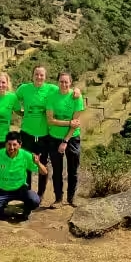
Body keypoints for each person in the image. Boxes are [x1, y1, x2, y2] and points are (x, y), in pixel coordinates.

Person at [0, 132, 46, 221]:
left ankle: (24, 210)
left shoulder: (26, 155)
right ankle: (6, 210)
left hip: (21, 189)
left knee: (35, 200)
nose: (11, 148)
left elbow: (44, 172)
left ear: (20, 145)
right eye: (9, 144)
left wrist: (38, 163)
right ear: (5, 144)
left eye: (14, 145)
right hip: (2, 191)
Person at [14, 64, 59, 196]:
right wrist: (20, 112)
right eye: (36, 74)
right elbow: (12, 99)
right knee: (26, 163)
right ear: (32, 76)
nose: (39, 77)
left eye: (41, 75)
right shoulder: (24, 88)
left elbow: (65, 92)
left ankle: (40, 194)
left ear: (45, 77)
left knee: (42, 164)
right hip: (27, 133)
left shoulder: (51, 89)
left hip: (44, 135)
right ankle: (26, 192)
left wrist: (76, 92)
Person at [45, 71, 85, 206]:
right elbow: (50, 120)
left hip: (72, 138)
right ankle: (58, 198)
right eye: (61, 81)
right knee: (56, 170)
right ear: (58, 82)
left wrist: (65, 141)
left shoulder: (76, 98)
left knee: (73, 170)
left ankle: (71, 198)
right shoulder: (51, 97)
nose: (63, 84)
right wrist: (67, 123)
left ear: (71, 83)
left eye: (66, 82)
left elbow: (76, 122)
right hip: (54, 137)